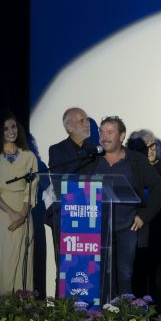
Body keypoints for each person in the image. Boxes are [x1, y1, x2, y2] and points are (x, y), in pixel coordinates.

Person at [95, 116, 161, 298]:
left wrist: (143, 216)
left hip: (127, 229)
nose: (104, 137)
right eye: (101, 133)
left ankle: (123, 320)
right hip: (97, 229)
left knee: (125, 276)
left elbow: (159, 187)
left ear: (122, 136)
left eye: (110, 132)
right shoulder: (92, 161)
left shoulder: (136, 161)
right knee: (100, 277)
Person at [0, 111, 40, 299]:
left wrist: (23, 213)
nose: (11, 131)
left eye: (13, 126)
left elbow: (32, 186)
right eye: (6, 128)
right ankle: (2, 311)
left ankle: (23, 310)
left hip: (23, 212)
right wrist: (12, 213)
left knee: (23, 258)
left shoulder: (29, 156)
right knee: (2, 260)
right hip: (1, 215)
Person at [127, 129, 161, 310]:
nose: (150, 150)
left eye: (152, 145)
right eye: (145, 147)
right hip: (134, 233)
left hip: (158, 233)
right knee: (136, 279)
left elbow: (155, 197)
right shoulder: (128, 168)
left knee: (159, 283)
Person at [47, 107, 99, 283]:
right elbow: (59, 182)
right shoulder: (57, 150)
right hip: (65, 216)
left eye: (87, 121)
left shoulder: (96, 150)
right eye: (82, 121)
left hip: (89, 218)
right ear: (69, 127)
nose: (87, 125)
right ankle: (61, 309)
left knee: (87, 271)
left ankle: (89, 310)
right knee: (64, 271)